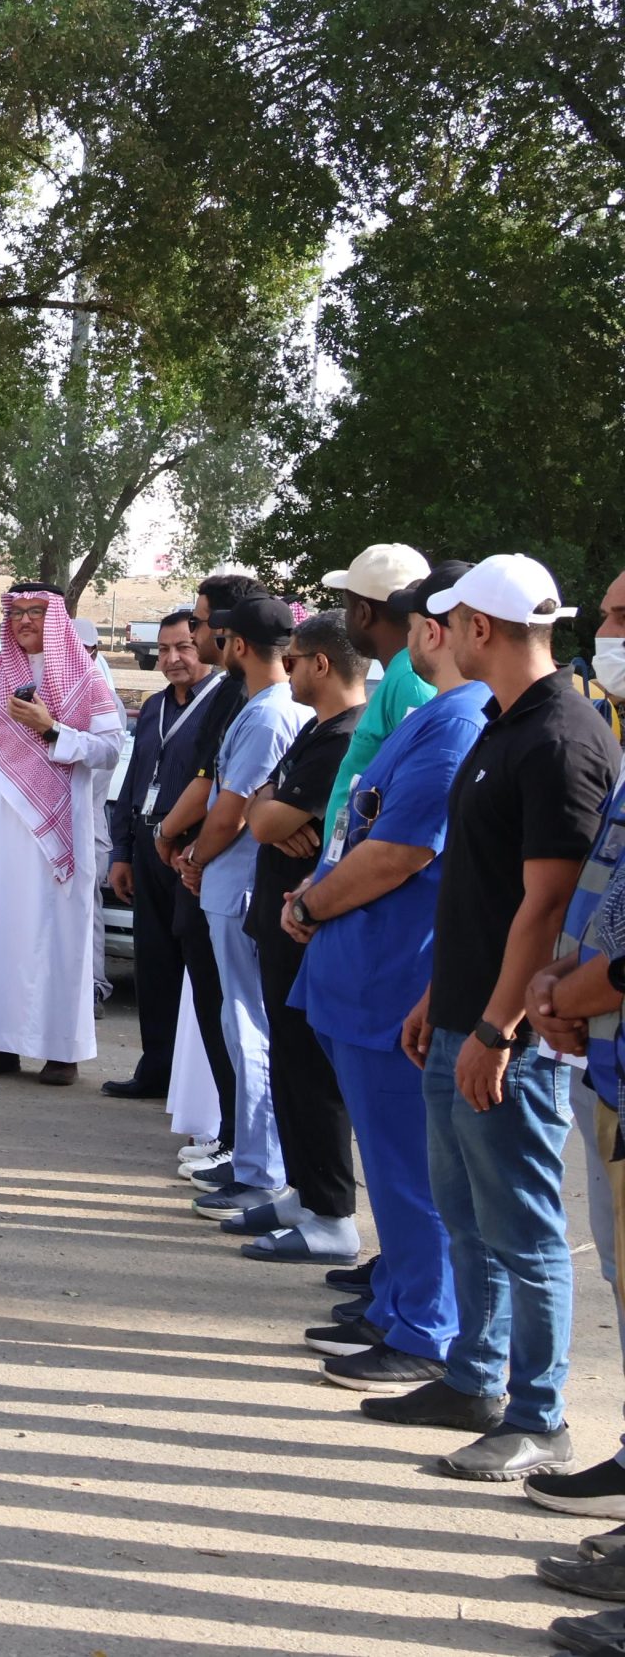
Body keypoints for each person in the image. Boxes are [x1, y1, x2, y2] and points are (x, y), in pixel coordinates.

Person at [391, 554, 618, 1481]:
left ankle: (538, 1415)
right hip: (464, 1014)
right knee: (467, 1216)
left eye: (453, 621)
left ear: (480, 627)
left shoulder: (559, 736)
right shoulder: (505, 721)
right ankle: (474, 1377)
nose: (442, 635)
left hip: (508, 1037)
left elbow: (547, 904)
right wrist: (439, 999)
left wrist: (496, 1028)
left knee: (523, 1229)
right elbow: (482, 893)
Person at [287, 560, 483, 1396]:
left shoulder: (460, 721)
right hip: (360, 972)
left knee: (412, 1169)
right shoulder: (438, 711)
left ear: (437, 629)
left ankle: (425, 1326)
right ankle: (400, 1301)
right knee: (395, 1166)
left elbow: (401, 851)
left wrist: (312, 901)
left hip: (394, 974)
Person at [523, 566, 625, 1532]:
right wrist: (562, 978)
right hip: (610, 1063)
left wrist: (575, 992)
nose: (605, 631)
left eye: (624, 617)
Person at [0, 582, 126, 1085]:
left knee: (58, 936)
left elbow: (109, 750)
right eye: (17, 612)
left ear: (57, 619)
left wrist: (52, 729)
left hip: (61, 828)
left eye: (36, 612)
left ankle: (61, 1052)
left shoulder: (85, 680)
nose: (25, 620)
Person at [232, 611, 367, 1257]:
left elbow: (261, 820)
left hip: (308, 927)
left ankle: (331, 1213)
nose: (285, 672)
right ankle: (305, 1191)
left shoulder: (346, 736)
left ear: (320, 663)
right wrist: (270, 809)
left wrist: (269, 812)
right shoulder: (315, 730)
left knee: (312, 1072)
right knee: (288, 1061)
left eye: (293, 661)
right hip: (280, 921)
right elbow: (259, 804)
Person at [183, 597, 313, 1223]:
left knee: (249, 1029)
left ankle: (260, 1174)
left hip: (239, 889)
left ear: (236, 644)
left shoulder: (268, 713)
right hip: (235, 887)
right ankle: (253, 1163)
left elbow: (232, 813)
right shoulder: (267, 706)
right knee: (245, 1027)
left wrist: (195, 857)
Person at [155, 574, 266, 1175]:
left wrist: (176, 840)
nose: (193, 634)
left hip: (224, 873)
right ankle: (230, 1131)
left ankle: (240, 1144)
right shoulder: (231, 690)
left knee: (237, 1016)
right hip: (206, 868)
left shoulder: (247, 697)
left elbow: (222, 793)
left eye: (198, 623)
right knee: (216, 1010)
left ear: (227, 630)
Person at [101, 610, 218, 1100]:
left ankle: (199, 1084)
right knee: (153, 963)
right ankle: (156, 1068)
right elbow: (134, 780)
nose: (172, 659)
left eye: (184, 647)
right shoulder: (153, 706)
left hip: (194, 850)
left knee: (198, 967)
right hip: (149, 845)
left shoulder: (223, 702)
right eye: (164, 649)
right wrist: (123, 852)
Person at [322, 543, 434, 843]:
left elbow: (417, 801)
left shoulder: (410, 680)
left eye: (348, 607)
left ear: (363, 613)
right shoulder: (401, 673)